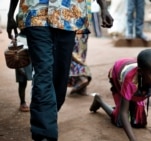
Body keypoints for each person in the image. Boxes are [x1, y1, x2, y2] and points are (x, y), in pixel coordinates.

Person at [7, 0, 113, 140]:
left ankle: (47, 114)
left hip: (68, 15)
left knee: (60, 79)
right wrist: (10, 14)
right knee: (43, 73)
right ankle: (44, 134)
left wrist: (103, 7)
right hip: (35, 13)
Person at [89, 49, 151, 141]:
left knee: (139, 122)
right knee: (119, 120)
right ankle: (99, 100)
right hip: (117, 74)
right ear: (140, 72)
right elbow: (123, 112)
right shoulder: (130, 81)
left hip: (139, 79)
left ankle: (128, 102)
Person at [68, 31, 92, 95]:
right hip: (83, 27)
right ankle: (81, 87)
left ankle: (82, 78)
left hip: (73, 27)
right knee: (81, 53)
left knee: (72, 52)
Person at [15, 33, 33, 112]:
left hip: (32, 60)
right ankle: (22, 102)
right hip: (21, 62)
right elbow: (15, 54)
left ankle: (36, 101)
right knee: (22, 82)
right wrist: (19, 67)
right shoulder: (18, 38)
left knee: (37, 81)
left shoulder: (33, 35)